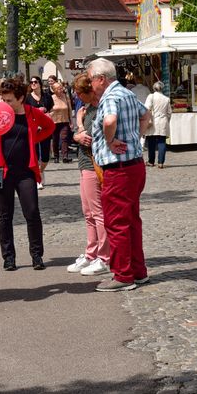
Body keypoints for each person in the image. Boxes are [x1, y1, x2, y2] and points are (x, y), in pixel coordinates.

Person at [87, 57, 150, 292]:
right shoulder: (127, 93)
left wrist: (110, 140)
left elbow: (110, 120)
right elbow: (146, 115)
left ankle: (123, 275)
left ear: (101, 79)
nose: (90, 84)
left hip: (118, 168)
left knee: (116, 222)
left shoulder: (111, 97)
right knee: (131, 220)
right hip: (134, 165)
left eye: (91, 79)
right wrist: (136, 138)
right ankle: (138, 271)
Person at [0, 78, 56, 271]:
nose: (5, 103)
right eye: (3, 99)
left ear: (20, 98)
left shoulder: (32, 113)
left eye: (9, 100)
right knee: (4, 214)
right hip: (0, 171)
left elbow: (49, 127)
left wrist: (34, 138)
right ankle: (8, 257)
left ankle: (37, 255)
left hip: (25, 171)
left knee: (32, 212)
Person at [66, 73, 111, 276]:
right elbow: (79, 136)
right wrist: (78, 133)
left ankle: (104, 256)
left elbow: (92, 138)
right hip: (85, 163)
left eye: (79, 93)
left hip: (95, 165)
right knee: (88, 212)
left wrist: (80, 125)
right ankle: (91, 253)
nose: (77, 97)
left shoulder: (100, 108)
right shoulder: (88, 108)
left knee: (98, 212)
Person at [144, 82, 172, 168]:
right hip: (163, 121)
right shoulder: (166, 99)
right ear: (162, 88)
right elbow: (169, 113)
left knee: (151, 142)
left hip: (153, 121)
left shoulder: (151, 96)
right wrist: (166, 120)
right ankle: (161, 162)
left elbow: (146, 108)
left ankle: (151, 161)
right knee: (162, 142)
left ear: (154, 88)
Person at [47, 79, 73, 165]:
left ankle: (65, 156)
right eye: (58, 88)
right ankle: (56, 156)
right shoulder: (51, 98)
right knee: (55, 139)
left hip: (65, 120)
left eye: (61, 88)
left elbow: (69, 109)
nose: (60, 90)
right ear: (54, 90)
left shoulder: (66, 97)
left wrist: (71, 121)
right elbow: (48, 110)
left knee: (64, 138)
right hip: (54, 121)